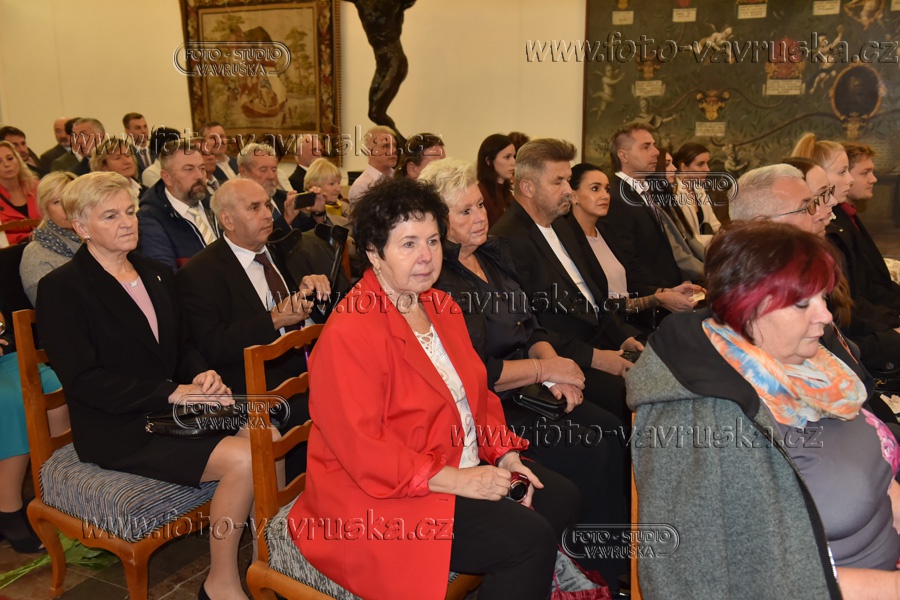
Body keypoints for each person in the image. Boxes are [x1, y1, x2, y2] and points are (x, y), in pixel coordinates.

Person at [289, 176, 579, 600]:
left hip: (449, 460)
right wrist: (460, 481)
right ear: (374, 253)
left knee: (561, 497)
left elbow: (476, 394)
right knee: (527, 541)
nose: (426, 256)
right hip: (380, 494)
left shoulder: (440, 305)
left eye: (432, 241)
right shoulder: (351, 331)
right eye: (408, 244)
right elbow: (364, 450)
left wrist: (505, 453)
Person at [629, 220, 900, 599]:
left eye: (823, 298)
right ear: (749, 307)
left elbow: (880, 482)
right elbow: (704, 580)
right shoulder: (704, 422)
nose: (825, 315)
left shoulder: (815, 364)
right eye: (803, 303)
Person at [36, 171, 260, 600]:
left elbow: (182, 346)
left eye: (130, 211)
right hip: (118, 426)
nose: (127, 222)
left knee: (266, 434)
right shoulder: (62, 289)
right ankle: (220, 583)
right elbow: (85, 382)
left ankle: (265, 559)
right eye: (110, 216)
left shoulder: (156, 273)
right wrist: (172, 392)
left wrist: (200, 374)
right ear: (81, 227)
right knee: (246, 459)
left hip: (169, 408)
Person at [423, 158, 628, 588]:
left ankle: (609, 565)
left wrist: (557, 372)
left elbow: (531, 325)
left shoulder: (492, 253)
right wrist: (544, 369)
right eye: (465, 211)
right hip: (491, 406)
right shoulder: (440, 282)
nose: (480, 217)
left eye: (480, 205)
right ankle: (588, 570)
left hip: (527, 388)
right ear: (438, 224)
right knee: (591, 446)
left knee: (611, 429)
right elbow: (475, 373)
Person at [490, 139, 644, 420]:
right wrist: (599, 358)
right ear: (528, 188)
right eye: (557, 182)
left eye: (569, 180)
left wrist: (623, 337)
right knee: (627, 404)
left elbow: (594, 296)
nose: (568, 191)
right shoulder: (506, 240)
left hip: (599, 341)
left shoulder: (562, 224)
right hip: (563, 358)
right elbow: (531, 327)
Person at [564, 163, 700, 320]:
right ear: (573, 196)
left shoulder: (606, 232)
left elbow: (629, 284)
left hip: (628, 321)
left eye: (607, 189)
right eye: (595, 189)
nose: (605, 195)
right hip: (604, 327)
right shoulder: (568, 240)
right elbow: (597, 303)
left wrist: (666, 292)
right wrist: (656, 299)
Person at [603, 124, 683, 292]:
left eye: (654, 145)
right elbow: (628, 260)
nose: (656, 152)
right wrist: (664, 291)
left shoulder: (643, 190)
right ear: (623, 156)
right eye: (646, 147)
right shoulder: (616, 198)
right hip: (650, 295)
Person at [137, 139, 219, 269]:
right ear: (167, 177)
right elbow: (165, 273)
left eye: (202, 168)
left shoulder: (215, 205)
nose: (199, 176)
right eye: (189, 169)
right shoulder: (150, 218)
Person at [19, 171, 79, 305]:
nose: (67, 207)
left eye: (71, 198)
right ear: (45, 208)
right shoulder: (36, 254)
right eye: (57, 202)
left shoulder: (98, 238)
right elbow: (51, 307)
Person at [672, 142, 721, 246]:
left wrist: (726, 236)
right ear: (684, 167)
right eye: (700, 164)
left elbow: (713, 223)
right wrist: (713, 240)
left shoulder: (699, 189)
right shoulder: (674, 193)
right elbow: (684, 236)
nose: (707, 169)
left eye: (707, 163)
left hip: (704, 248)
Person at [0, 140, 40, 246]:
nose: (6, 164)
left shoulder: (37, 187)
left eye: (10, 158)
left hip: (50, 244)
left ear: (18, 160)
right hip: (12, 250)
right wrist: (29, 237)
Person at [347, 125, 397, 204]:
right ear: (370, 151)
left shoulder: (401, 178)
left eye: (394, 145)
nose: (394, 150)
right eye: (386, 146)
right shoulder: (361, 187)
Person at [476, 133, 516, 226]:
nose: (513, 162)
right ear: (489, 161)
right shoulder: (481, 194)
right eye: (507, 157)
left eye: (514, 156)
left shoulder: (508, 192)